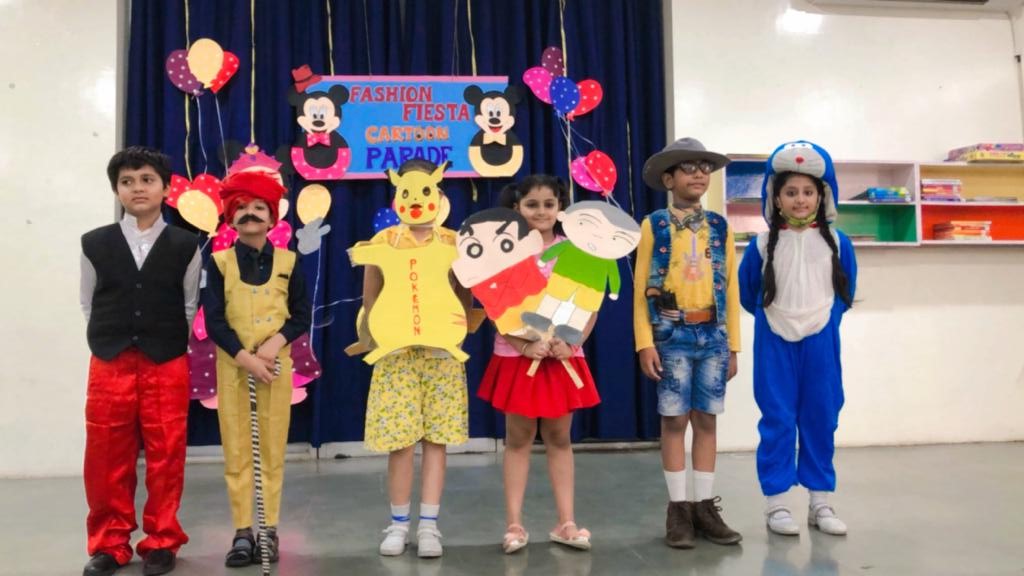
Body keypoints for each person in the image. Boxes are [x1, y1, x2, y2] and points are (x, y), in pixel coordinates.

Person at [80, 146, 201, 576]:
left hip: (165, 361)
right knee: (106, 454)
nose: (138, 188)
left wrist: (163, 341)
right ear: (117, 189)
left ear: (166, 188)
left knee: (167, 453)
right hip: (110, 361)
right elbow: (89, 302)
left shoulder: (186, 245)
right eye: (127, 182)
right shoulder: (94, 243)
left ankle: (162, 540)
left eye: (147, 180)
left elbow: (189, 305)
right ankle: (109, 542)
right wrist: (111, 340)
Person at [474, 175, 601, 553]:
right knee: (518, 439)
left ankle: (566, 522)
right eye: (532, 204)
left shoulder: (575, 252)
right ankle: (514, 523)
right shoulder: (505, 251)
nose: (541, 211)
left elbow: (589, 303)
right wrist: (523, 344)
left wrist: (572, 342)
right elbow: (495, 305)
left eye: (549, 204)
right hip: (518, 358)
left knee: (560, 438)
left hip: (562, 357)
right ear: (517, 208)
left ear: (560, 208)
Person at [738, 140, 857, 537]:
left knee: (821, 416)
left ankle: (820, 501)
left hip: (821, 342)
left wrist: (824, 322)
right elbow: (748, 293)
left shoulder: (838, 243)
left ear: (822, 196)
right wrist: (775, 319)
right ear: (776, 197)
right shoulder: (760, 246)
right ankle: (776, 505)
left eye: (808, 191)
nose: (800, 199)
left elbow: (846, 293)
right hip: (774, 341)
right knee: (778, 419)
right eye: (791, 192)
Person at [361, 159, 471, 559]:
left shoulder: (454, 242)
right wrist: (378, 334)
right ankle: (398, 524)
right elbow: (371, 294)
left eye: (426, 189)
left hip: (442, 353)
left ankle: (429, 525)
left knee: (436, 439)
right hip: (397, 354)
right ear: (398, 193)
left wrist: (457, 326)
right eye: (407, 189)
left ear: (438, 193)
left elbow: (464, 293)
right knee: (401, 441)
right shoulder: (385, 241)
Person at [635, 137, 743, 549]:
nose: (699, 173)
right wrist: (645, 342)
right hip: (671, 334)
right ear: (669, 179)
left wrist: (733, 345)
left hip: (713, 334)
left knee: (707, 419)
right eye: (688, 167)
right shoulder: (654, 225)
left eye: (704, 167)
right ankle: (678, 508)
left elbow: (730, 286)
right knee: (674, 420)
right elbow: (641, 288)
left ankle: (704, 507)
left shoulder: (720, 226)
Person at [202, 170, 311, 566]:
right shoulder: (218, 263)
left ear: (272, 217)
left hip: (275, 369)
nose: (250, 214)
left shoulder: (289, 262)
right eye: (242, 207)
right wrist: (245, 358)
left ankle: (269, 529)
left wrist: (272, 346)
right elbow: (215, 321)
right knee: (237, 451)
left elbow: (300, 315)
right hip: (234, 370)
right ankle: (243, 531)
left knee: (271, 449)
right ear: (230, 217)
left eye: (259, 207)